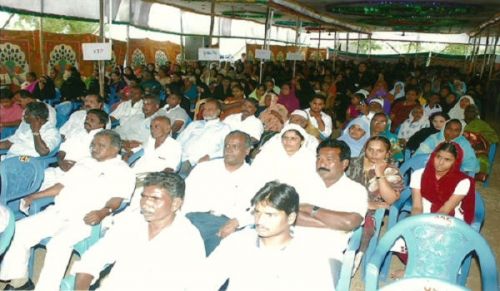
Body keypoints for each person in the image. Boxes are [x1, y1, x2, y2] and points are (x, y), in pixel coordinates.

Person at [0, 130, 135, 291]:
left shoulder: (123, 170)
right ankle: (20, 280)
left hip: (86, 218)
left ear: (115, 149)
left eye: (101, 145)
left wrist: (103, 212)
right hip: (60, 211)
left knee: (58, 245)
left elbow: (117, 199)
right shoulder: (85, 162)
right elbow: (60, 186)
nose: (94, 148)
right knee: (20, 230)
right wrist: (34, 196)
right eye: (93, 144)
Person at [71, 172, 205, 291]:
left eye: (155, 199)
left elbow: (193, 285)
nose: (145, 204)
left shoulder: (188, 239)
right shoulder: (132, 221)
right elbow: (95, 257)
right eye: (144, 196)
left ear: (175, 204)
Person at [195, 181, 334, 291]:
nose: (260, 221)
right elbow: (204, 282)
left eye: (270, 215)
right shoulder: (237, 242)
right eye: (257, 212)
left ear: (291, 218)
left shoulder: (309, 255)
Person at [295, 139, 368, 284]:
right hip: (292, 243)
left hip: (328, 252)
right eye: (319, 158)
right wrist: (334, 222)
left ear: (345, 163)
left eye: (329, 159)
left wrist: (310, 208)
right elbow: (289, 216)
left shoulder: (355, 190)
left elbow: (350, 222)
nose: (322, 163)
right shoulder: (303, 183)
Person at [183, 131, 257, 255]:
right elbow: (183, 196)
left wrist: (237, 222)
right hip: (192, 219)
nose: (228, 150)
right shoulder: (203, 169)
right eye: (226, 145)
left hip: (226, 225)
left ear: (247, 150)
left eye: (235, 146)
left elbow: (259, 209)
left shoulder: (255, 177)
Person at [345, 136, 403, 269]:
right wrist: (365, 203)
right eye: (370, 149)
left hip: (369, 213)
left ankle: (357, 253)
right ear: (365, 149)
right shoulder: (350, 163)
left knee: (365, 222)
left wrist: (379, 173)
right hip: (345, 202)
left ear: (387, 153)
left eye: (379, 151)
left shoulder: (391, 171)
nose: (374, 154)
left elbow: (391, 199)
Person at [40, 109, 108, 190]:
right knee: (42, 177)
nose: (87, 121)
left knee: (53, 187)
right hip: (63, 167)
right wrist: (61, 162)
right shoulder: (78, 131)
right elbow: (63, 149)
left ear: (101, 124)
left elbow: (98, 162)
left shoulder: (104, 138)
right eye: (86, 119)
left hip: (83, 173)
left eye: (92, 120)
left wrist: (77, 166)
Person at [252, 124, 316, 191]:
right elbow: (256, 174)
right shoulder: (269, 153)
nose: (288, 141)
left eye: (293, 138)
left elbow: (310, 183)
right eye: (285, 138)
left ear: (302, 141)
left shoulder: (309, 158)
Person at [176, 98, 231, 177]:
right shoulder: (194, 124)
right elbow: (180, 140)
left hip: (201, 162)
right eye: (204, 109)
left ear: (218, 111)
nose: (205, 111)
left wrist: (210, 156)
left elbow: (226, 148)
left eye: (210, 109)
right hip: (182, 159)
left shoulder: (224, 128)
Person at [463, 105, 498, 181]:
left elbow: (494, 137)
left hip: (476, 147)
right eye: (468, 111)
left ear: (476, 113)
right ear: (464, 112)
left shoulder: (481, 124)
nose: (470, 113)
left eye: (472, 111)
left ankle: (479, 174)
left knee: (481, 157)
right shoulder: (459, 122)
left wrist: (478, 137)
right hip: (461, 146)